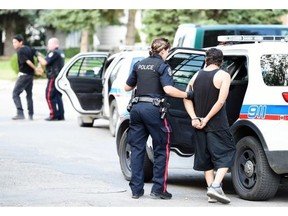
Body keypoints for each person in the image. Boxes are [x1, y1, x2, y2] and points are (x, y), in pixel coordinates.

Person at [124, 37, 193, 200]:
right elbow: (168, 89)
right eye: (168, 51)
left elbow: (127, 87)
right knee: (161, 148)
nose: (168, 54)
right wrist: (187, 94)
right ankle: (158, 189)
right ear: (162, 51)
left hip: (136, 109)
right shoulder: (162, 66)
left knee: (137, 149)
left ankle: (136, 190)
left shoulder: (139, 64)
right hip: (153, 110)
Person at [183, 48, 236, 204]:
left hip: (198, 124)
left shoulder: (196, 75)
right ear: (221, 61)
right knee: (227, 152)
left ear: (206, 60)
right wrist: (206, 119)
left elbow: (186, 98)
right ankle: (215, 185)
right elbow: (220, 101)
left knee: (206, 157)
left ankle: (210, 192)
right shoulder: (224, 75)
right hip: (217, 123)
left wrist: (194, 118)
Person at [12, 34, 43, 120]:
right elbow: (38, 55)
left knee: (15, 94)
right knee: (29, 95)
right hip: (30, 76)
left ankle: (20, 113)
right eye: (13, 42)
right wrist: (39, 65)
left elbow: (27, 61)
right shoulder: (30, 48)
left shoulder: (20, 51)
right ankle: (31, 114)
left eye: (15, 42)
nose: (13, 44)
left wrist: (36, 68)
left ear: (21, 42)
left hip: (24, 76)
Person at [37, 37, 65, 121]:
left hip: (53, 78)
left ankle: (53, 115)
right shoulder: (60, 52)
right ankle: (60, 115)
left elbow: (45, 62)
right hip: (58, 78)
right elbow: (47, 62)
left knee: (49, 96)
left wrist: (37, 55)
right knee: (58, 96)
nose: (48, 46)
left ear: (55, 44)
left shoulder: (54, 53)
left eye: (49, 44)